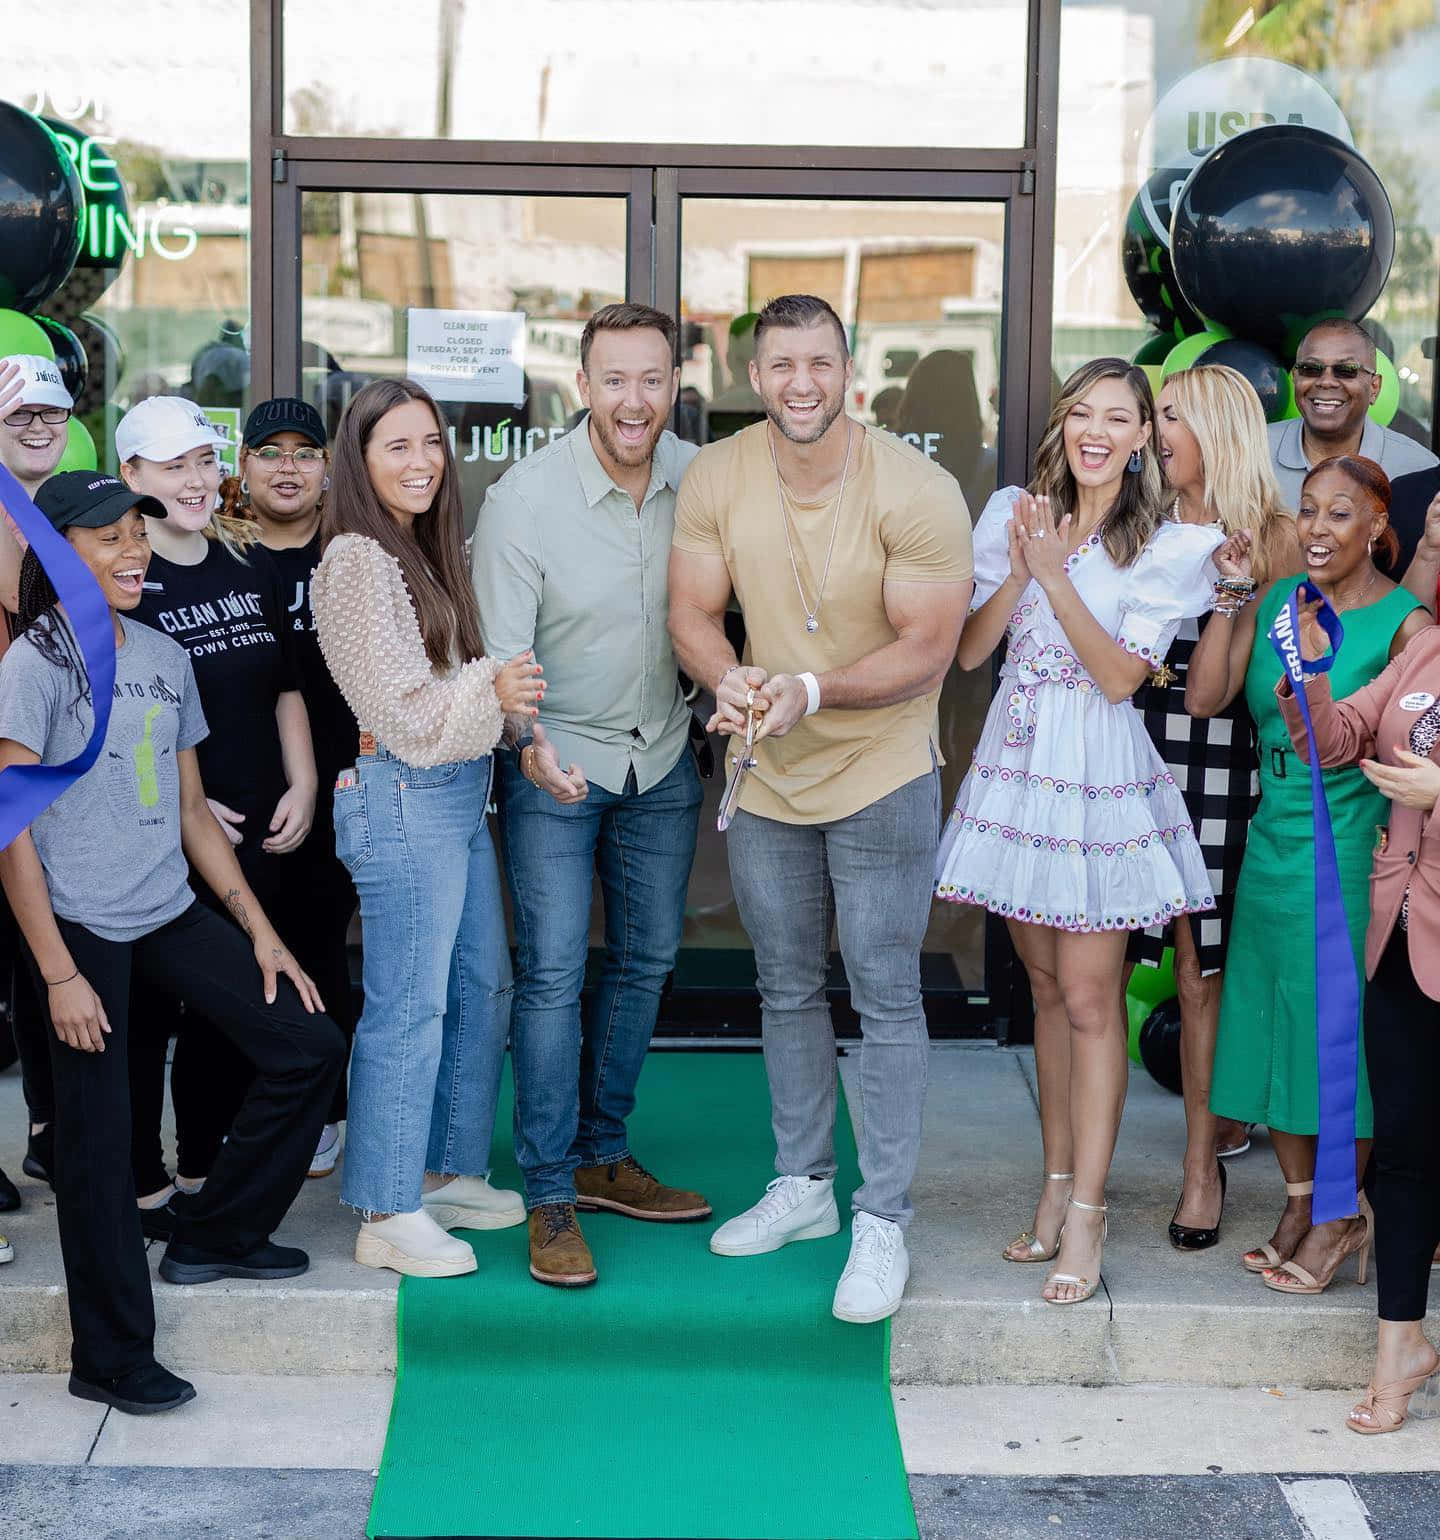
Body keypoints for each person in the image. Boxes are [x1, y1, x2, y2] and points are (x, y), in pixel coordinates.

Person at [0, 470, 344, 1415]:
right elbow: (11, 833)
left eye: (136, 536)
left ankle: (218, 1232)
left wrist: (262, 932)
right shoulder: (34, 665)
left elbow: (192, 808)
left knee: (306, 1043)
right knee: (100, 1148)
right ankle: (107, 1357)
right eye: (107, 537)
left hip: (167, 907)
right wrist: (59, 974)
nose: (132, 552)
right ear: (54, 553)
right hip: (77, 927)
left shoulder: (158, 650)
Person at [669, 293, 973, 1324]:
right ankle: (802, 1183)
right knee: (786, 981)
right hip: (771, 769)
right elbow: (691, 613)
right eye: (782, 365)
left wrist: (811, 688)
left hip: (882, 765)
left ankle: (881, 1216)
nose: (801, 382)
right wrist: (738, 680)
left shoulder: (916, 487)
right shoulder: (718, 471)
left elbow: (928, 646)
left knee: (885, 989)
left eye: (820, 363)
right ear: (756, 377)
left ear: (850, 370)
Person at [935, 357, 1220, 1305]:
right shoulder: (1015, 507)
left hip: (1098, 778)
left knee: (1095, 1000)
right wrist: (1020, 570)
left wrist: (1056, 578)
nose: (1098, 431)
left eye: (1120, 417)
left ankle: (1090, 1216)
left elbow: (1117, 680)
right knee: (1049, 992)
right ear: (1062, 423)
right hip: (1019, 773)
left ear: (1145, 436)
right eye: (1082, 413)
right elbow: (972, 652)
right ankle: (1056, 1187)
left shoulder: (1171, 543)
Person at [472, 303, 708, 1289]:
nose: (635, 400)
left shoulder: (703, 480)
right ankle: (549, 1191)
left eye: (652, 380)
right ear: (582, 387)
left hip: (662, 757)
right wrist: (528, 747)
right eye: (615, 380)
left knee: (648, 959)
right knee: (555, 973)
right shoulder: (524, 500)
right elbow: (502, 664)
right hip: (557, 766)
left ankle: (604, 1150)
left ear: (674, 385)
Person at [313, 378, 541, 1277]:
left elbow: (451, 700)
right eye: (396, 447)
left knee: (483, 985)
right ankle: (386, 1207)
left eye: (431, 444)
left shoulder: (423, 549)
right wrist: (493, 688)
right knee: (410, 1006)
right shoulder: (359, 560)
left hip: (452, 793)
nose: (421, 462)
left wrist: (506, 718)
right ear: (361, 463)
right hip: (400, 793)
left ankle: (443, 1171)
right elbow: (405, 715)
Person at [1190, 455, 1430, 1293]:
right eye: (1307, 512)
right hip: (1271, 845)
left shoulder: (1407, 625)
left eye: (1339, 515)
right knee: (1274, 1027)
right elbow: (1204, 699)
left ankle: (1340, 1215)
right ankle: (1301, 1200)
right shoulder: (1277, 607)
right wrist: (1230, 596)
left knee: (1341, 1040)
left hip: (1354, 854)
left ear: (1376, 529)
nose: (1318, 529)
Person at [118, 395, 318, 1228]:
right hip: (170, 841)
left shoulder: (245, 559)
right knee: (146, 1017)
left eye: (204, 461)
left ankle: (204, 1167)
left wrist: (302, 782)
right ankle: (142, 1184)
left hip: (263, 832)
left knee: (230, 1017)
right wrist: (174, 811)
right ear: (131, 477)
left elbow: (285, 688)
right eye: (174, 467)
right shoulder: (126, 581)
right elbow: (120, 725)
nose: (197, 481)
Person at [1128, 365, 1301, 1247]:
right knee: (1102, 963)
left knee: (1201, 977)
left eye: (1171, 417)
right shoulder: (1141, 522)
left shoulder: (1274, 539)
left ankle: (1203, 1172)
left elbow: (1271, 686)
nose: (1156, 433)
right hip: (1127, 744)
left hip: (1225, 765)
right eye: (1155, 417)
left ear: (1219, 429)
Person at [1277, 604, 1440, 1433]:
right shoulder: (1424, 654)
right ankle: (1398, 1354)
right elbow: (1334, 739)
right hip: (1404, 939)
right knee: (1405, 1159)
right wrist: (1310, 671)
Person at [224, 398, 359, 1178]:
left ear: (326, 467)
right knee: (240, 952)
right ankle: (252, 1098)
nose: (287, 466)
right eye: (269, 452)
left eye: (303, 452)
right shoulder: (222, 559)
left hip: (343, 788)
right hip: (241, 793)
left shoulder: (354, 553)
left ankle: (326, 1108)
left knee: (317, 945)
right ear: (243, 466)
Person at [0, 356, 67, 1198]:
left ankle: (49, 1132)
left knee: (34, 954)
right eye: (21, 415)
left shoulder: (66, 505)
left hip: (50, 775)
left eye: (52, 410)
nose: (40, 424)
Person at [1267, 321, 1436, 510]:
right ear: (1295, 378)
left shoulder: (1419, 466)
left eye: (1346, 370)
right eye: (1311, 369)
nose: (1326, 382)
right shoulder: (1251, 451)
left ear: (1374, 388)